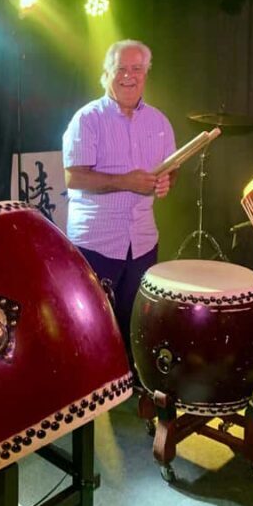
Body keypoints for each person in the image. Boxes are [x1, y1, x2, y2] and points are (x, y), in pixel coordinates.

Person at [62, 39, 176, 357]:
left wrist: (166, 181)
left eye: (136, 68)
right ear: (106, 74)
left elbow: (172, 168)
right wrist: (125, 182)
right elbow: (74, 177)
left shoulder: (159, 121)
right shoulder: (87, 119)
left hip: (143, 241)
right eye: (121, 68)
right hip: (96, 243)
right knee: (94, 329)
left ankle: (131, 379)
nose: (129, 75)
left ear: (146, 74)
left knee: (134, 324)